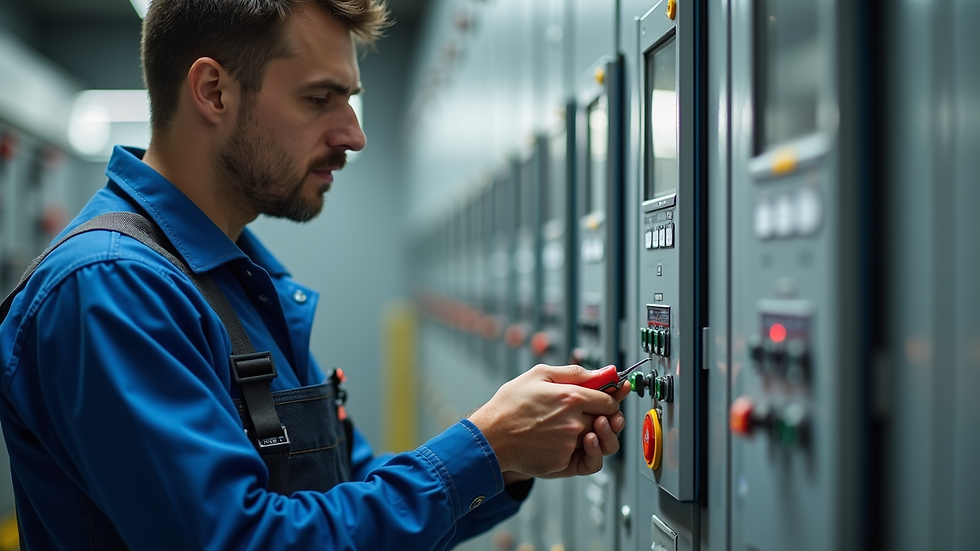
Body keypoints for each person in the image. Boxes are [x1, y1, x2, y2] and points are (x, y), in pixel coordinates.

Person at [0, 0, 630, 549]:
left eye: (350, 100)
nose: (353, 135)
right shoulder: (111, 290)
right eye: (319, 98)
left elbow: (344, 489)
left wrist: (511, 459)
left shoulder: (233, 281)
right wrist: (484, 450)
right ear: (213, 91)